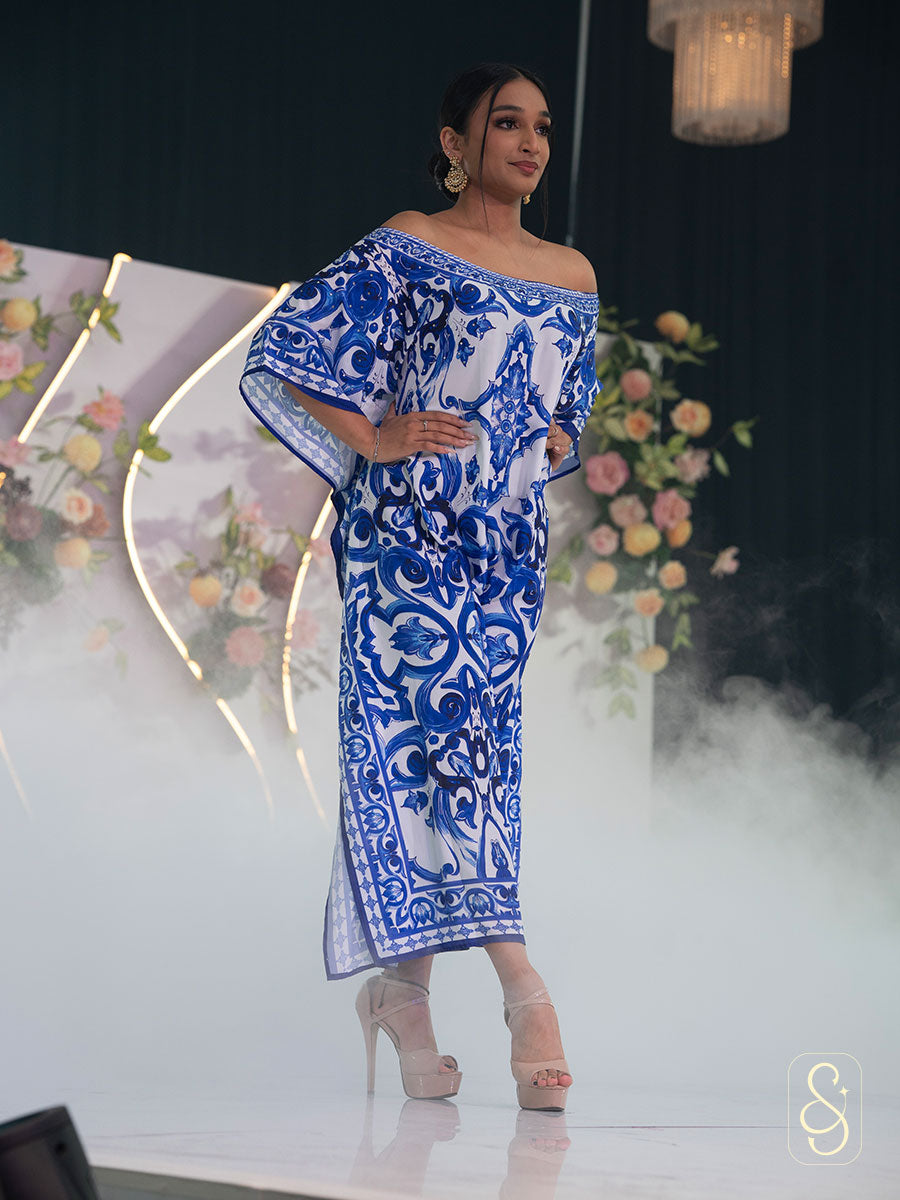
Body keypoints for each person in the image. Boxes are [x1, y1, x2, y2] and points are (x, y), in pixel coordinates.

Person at [239, 61, 600, 1112]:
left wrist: (547, 438)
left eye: (542, 127)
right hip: (405, 549)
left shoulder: (572, 273)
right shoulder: (409, 245)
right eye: (506, 124)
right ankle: (523, 984)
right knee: (436, 753)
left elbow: (569, 408)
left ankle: (403, 995)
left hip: (504, 559)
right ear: (456, 142)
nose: (531, 143)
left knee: (473, 759)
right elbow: (293, 350)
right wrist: (382, 435)